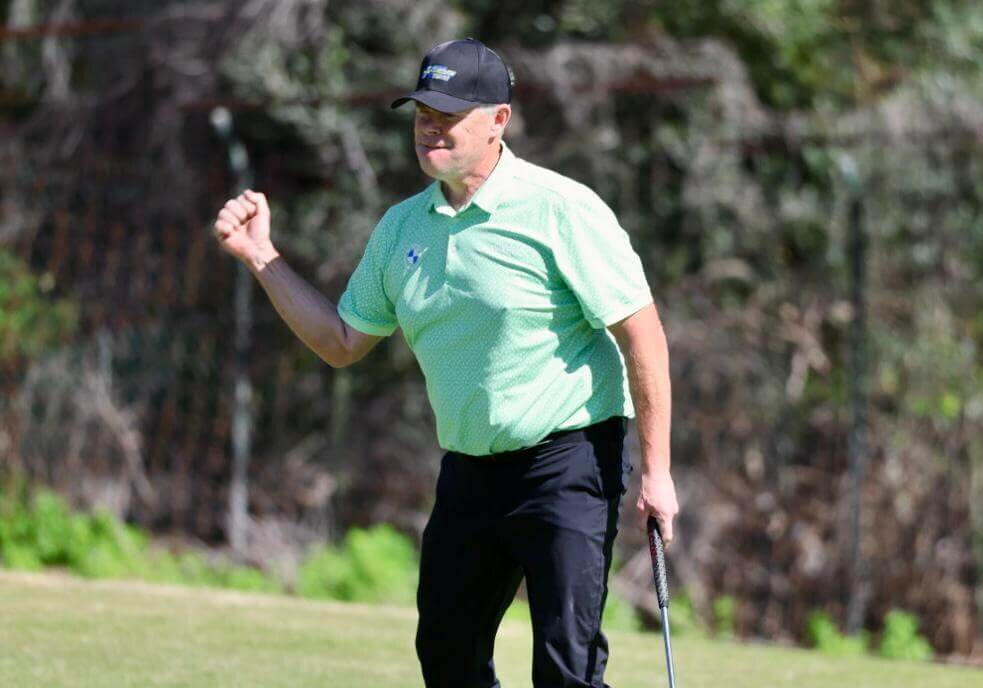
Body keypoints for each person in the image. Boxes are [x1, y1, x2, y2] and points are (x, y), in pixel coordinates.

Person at [213, 37, 679, 688]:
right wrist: (261, 256)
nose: (431, 126)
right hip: (470, 471)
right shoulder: (402, 229)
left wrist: (657, 471)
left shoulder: (559, 209)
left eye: (450, 114)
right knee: (447, 655)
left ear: (498, 121)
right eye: (423, 112)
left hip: (568, 460)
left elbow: (643, 334)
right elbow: (341, 341)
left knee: (566, 669)